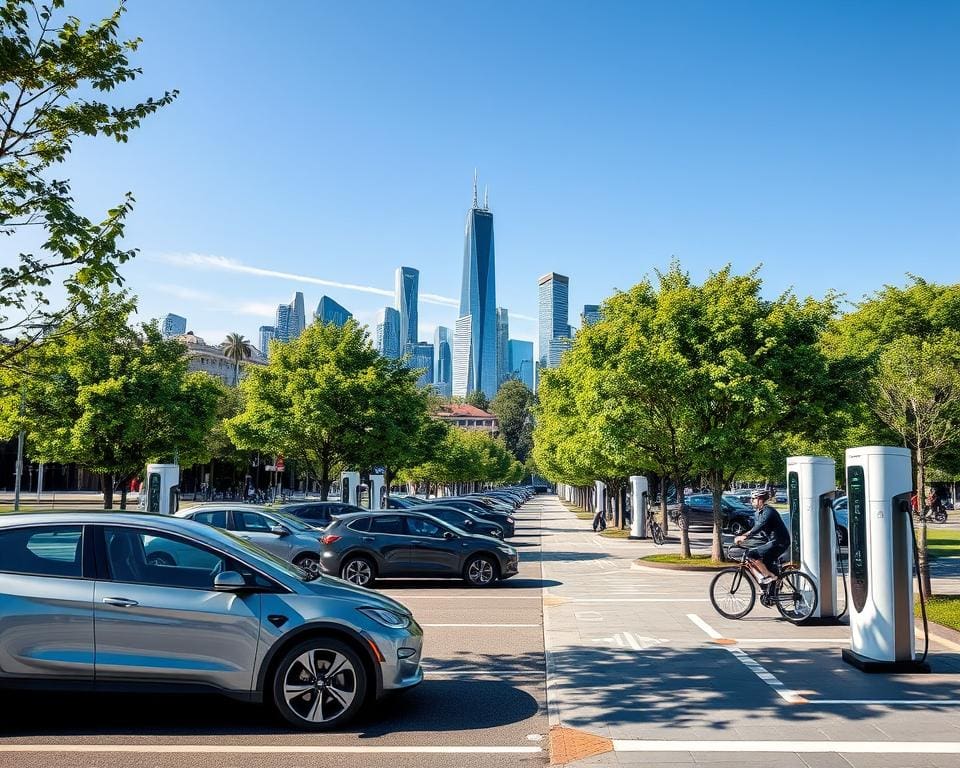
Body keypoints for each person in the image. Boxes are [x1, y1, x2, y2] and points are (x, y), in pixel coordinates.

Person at [734, 488, 791, 585]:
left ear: (760, 499)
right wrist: (746, 542)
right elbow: (760, 533)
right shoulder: (758, 513)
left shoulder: (769, 511)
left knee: (752, 554)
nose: (751, 501)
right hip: (772, 541)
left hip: (780, 542)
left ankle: (770, 576)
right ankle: (771, 592)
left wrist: (745, 536)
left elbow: (759, 527)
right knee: (766, 564)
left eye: (753, 498)